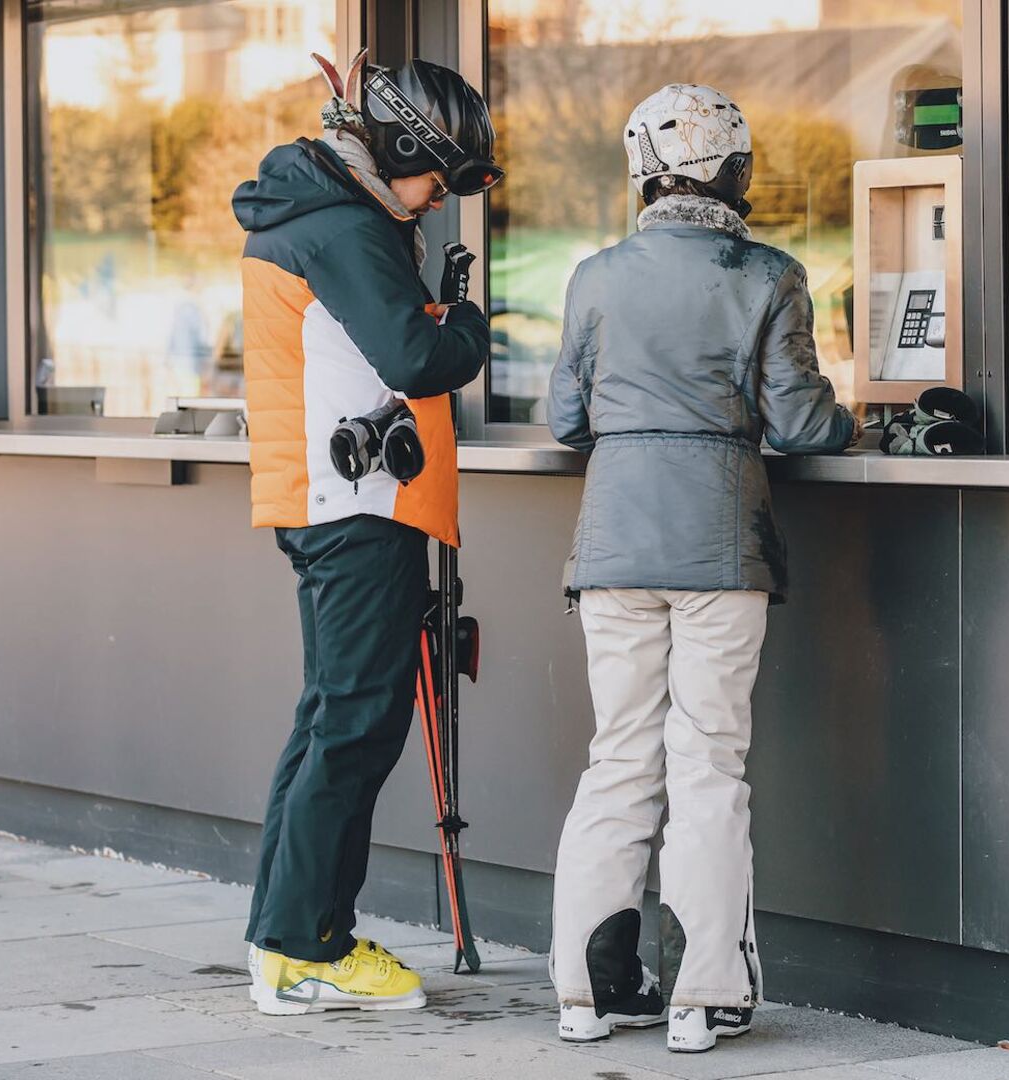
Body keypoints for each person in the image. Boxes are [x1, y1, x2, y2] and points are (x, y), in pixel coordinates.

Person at [546, 83, 861, 1053]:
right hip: (721, 547)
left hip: (613, 547)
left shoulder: (594, 276)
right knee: (708, 761)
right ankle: (701, 996)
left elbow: (565, 420)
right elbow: (801, 422)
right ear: (737, 171)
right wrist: (866, 423)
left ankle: (588, 994)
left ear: (642, 174)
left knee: (618, 758)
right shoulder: (765, 273)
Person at [230, 51, 502, 1016]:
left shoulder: (315, 212)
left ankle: (285, 933)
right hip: (359, 511)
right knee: (353, 725)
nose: (435, 201)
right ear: (395, 146)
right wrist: (465, 319)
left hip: (330, 504)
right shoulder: (345, 226)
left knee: (330, 719)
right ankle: (308, 945)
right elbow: (418, 357)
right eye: (437, 176)